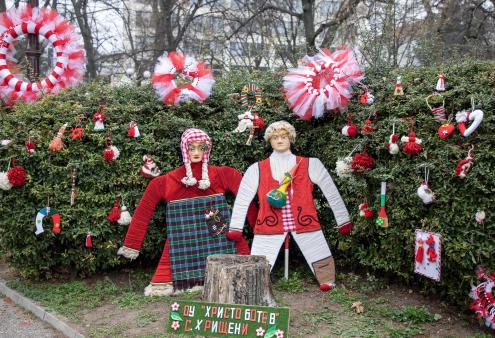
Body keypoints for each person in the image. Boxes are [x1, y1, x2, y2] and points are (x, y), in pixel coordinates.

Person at [118, 128, 255, 296]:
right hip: (183, 239)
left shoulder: (222, 174)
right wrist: (132, 244)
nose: (196, 152)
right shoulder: (167, 181)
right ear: (184, 149)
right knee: (171, 265)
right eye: (192, 148)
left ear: (207, 149)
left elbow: (245, 202)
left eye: (201, 147)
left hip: (217, 234)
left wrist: (261, 228)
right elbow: (143, 212)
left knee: (236, 260)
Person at [227, 121, 351, 291]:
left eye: (284, 136)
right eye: (275, 137)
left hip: (304, 219)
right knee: (260, 257)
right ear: (269, 140)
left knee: (317, 247)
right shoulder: (257, 169)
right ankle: (253, 283)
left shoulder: (310, 164)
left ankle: (327, 279)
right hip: (269, 222)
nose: (279, 140)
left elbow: (331, 192)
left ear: (291, 138)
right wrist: (235, 227)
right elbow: (243, 198)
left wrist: (343, 219)